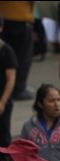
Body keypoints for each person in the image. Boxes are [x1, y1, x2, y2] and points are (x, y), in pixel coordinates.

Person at [0, 2, 32, 101]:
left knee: (4, 56)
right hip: (20, 18)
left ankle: (4, 88)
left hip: (3, 18)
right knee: (22, 57)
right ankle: (18, 89)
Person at [0, 18, 17, 148]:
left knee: (3, 137)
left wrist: (3, 101)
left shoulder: (6, 50)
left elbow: (11, 78)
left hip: (2, 100)